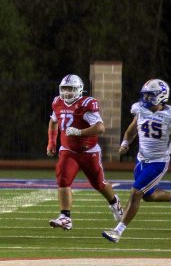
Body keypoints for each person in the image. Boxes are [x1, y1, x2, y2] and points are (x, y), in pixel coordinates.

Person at [102, 79, 171, 244]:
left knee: (136, 192)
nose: (146, 98)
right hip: (141, 160)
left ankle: (118, 231)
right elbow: (130, 132)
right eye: (145, 95)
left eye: (150, 95)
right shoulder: (140, 110)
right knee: (148, 196)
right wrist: (125, 144)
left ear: (161, 96)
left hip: (158, 162)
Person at [44, 74, 123, 230]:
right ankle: (65, 217)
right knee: (63, 179)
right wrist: (52, 142)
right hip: (68, 150)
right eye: (64, 89)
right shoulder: (57, 102)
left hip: (89, 151)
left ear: (79, 90)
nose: (67, 92)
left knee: (98, 183)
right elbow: (53, 122)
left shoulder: (86, 104)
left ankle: (115, 203)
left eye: (70, 89)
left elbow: (100, 127)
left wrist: (79, 132)